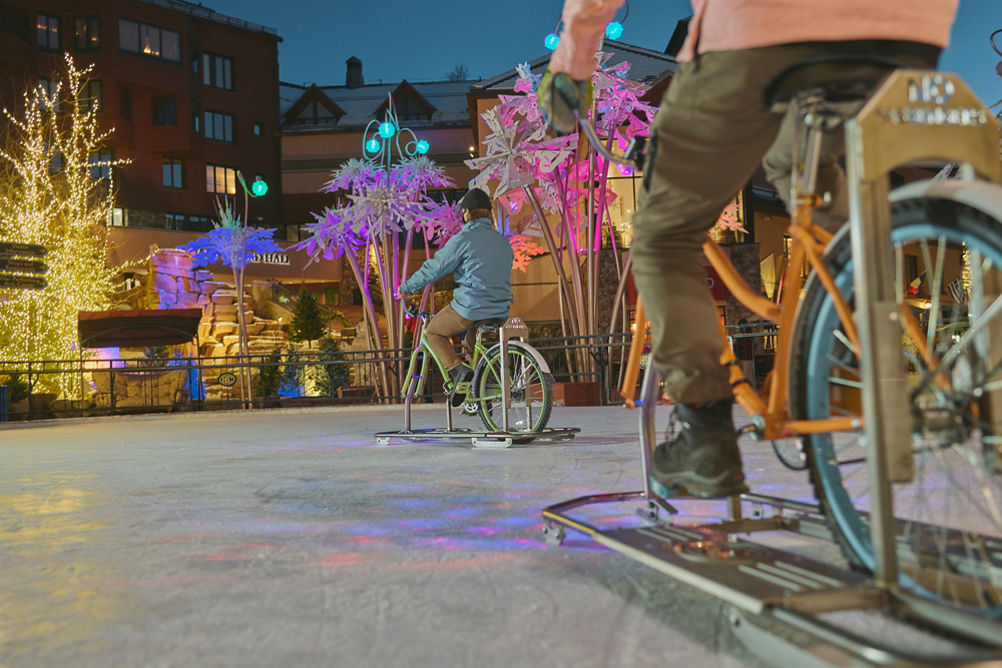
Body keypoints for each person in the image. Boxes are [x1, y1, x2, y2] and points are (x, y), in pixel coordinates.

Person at [539, 0, 958, 497]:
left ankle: (705, 434)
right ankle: (873, 371)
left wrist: (570, 67)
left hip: (761, 31)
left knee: (661, 231)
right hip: (903, 34)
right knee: (813, 184)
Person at [397, 188, 514, 406]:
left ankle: (458, 371)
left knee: (434, 331)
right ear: (488, 213)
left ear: (467, 214)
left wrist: (406, 287)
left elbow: (436, 267)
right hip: (500, 307)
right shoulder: (502, 241)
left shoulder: (464, 239)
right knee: (472, 343)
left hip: (472, 305)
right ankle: (482, 390)